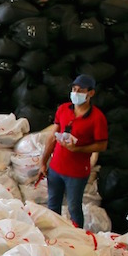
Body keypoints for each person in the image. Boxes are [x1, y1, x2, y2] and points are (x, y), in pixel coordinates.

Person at [37, 74, 108, 229]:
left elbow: (102, 145)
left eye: (80, 90)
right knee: (52, 205)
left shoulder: (97, 118)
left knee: (74, 208)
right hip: (56, 168)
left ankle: (77, 238)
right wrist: (43, 162)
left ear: (91, 93)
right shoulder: (63, 109)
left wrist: (78, 148)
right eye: (74, 89)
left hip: (76, 173)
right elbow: (52, 138)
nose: (75, 93)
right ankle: (53, 235)